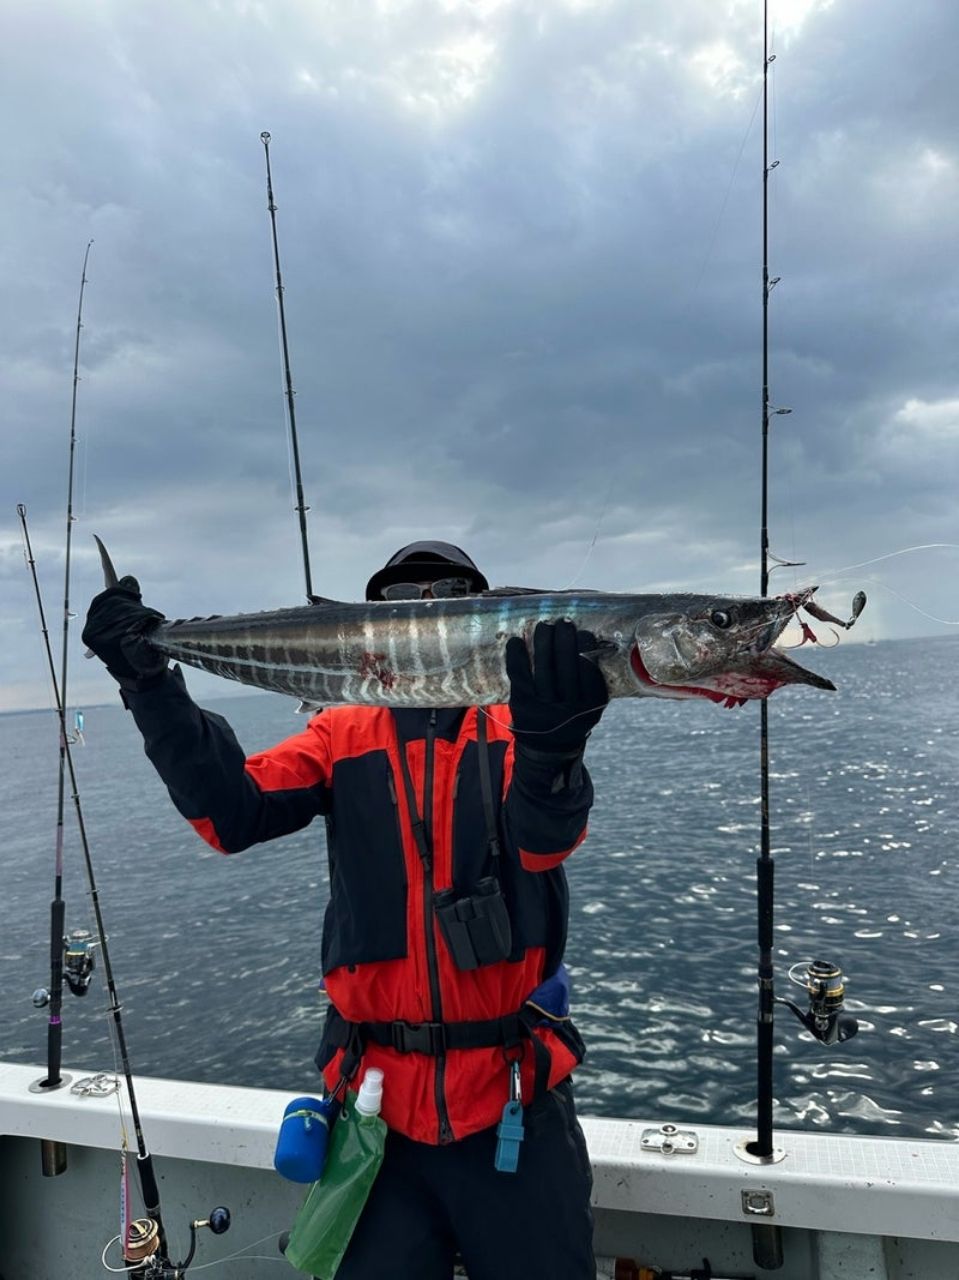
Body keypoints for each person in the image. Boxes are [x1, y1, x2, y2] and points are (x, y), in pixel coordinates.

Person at [83, 540, 609, 1280]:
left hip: (514, 1099)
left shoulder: (521, 732)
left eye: (450, 594)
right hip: (374, 1113)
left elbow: (544, 839)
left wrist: (555, 748)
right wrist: (150, 687)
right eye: (398, 600)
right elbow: (230, 812)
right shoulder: (340, 732)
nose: (425, 608)